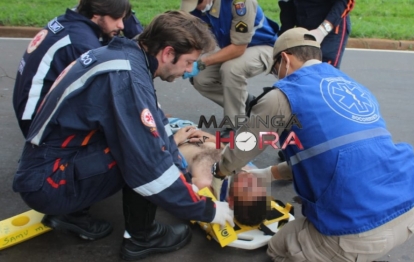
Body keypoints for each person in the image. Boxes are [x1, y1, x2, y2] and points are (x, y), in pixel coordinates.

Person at [12, 11, 234, 261]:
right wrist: (206, 209)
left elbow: (156, 121)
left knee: (150, 142)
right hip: (50, 183)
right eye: (189, 61)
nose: (189, 69)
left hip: (47, 168)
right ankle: (143, 237)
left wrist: (182, 175)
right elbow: (151, 164)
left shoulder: (124, 57)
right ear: (168, 53)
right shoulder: (127, 77)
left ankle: (72, 212)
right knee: (142, 156)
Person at [211, 27, 414, 261]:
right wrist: (266, 174)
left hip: (358, 231)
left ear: (284, 59)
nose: (279, 76)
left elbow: (245, 146)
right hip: (411, 207)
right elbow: (329, 153)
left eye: (276, 70)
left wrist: (220, 172)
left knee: (278, 248)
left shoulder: (283, 96)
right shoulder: (352, 85)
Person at [12, 0, 132, 138]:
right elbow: (103, 94)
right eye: (116, 18)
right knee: (115, 122)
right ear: (96, 14)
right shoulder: (81, 43)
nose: (121, 25)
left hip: (28, 109)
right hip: (36, 124)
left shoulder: (70, 23)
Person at [179, 0, 279, 136]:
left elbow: (238, 48)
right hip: (231, 47)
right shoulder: (198, 8)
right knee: (201, 77)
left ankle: (235, 124)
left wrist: (201, 63)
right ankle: (248, 102)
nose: (196, 8)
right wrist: (184, 61)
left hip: (264, 46)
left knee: (231, 69)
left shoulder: (240, 3)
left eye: (198, 3)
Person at [278, 0, 355, 69]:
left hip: (331, 23)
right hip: (303, 20)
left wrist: (322, 31)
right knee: (301, 71)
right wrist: (284, 35)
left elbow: (346, 1)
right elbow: (287, 5)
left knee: (325, 71)